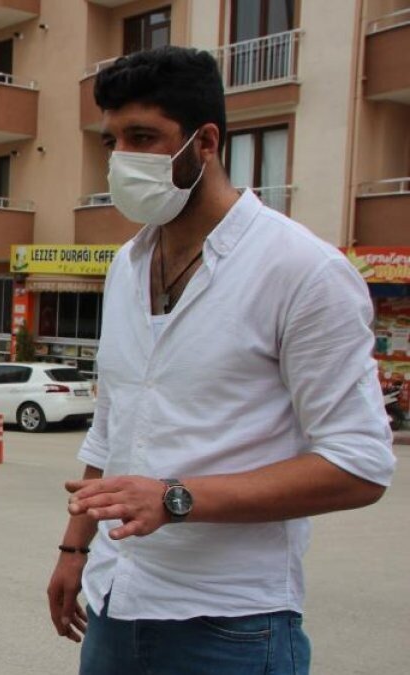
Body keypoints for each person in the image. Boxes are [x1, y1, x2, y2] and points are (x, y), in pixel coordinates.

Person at [45, 47, 397, 675]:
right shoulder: (127, 266)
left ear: (205, 142)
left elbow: (359, 465)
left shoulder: (303, 270)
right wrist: (75, 548)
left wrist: (176, 498)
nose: (121, 158)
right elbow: (114, 424)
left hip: (231, 627)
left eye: (143, 137)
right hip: (114, 601)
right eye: (111, 141)